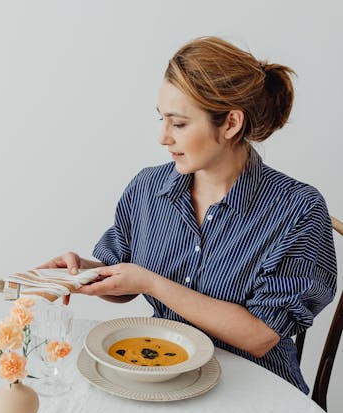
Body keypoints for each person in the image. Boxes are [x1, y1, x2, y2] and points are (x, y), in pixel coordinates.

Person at [40, 36, 336, 392]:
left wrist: (151, 282)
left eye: (178, 124)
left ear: (230, 124)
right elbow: (123, 285)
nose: (163, 138)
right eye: (162, 120)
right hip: (163, 376)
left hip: (256, 393)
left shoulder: (298, 209)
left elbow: (260, 336)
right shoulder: (148, 189)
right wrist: (82, 273)